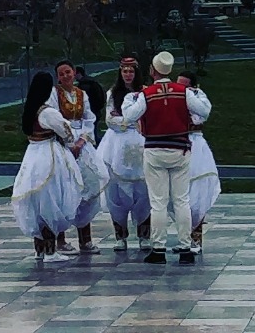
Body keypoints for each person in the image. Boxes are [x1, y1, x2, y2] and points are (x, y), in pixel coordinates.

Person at [122, 50, 211, 265]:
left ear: (153, 70)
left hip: (154, 150)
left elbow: (129, 115)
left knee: (158, 203)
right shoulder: (183, 92)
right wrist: (198, 93)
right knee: (182, 200)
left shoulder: (147, 93)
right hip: (180, 149)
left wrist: (132, 98)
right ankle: (185, 247)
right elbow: (204, 111)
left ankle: (158, 248)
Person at [10, 70, 84, 263]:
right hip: (49, 155)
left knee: (37, 201)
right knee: (51, 200)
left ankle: (40, 249)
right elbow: (67, 132)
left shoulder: (29, 110)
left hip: (32, 155)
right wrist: (71, 142)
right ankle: (51, 251)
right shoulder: (47, 112)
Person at [52, 59, 109, 256]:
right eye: (61, 74)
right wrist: (69, 141)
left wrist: (83, 139)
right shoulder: (54, 94)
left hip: (82, 143)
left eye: (68, 72)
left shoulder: (81, 93)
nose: (65, 76)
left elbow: (89, 118)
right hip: (63, 142)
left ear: (74, 72)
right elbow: (54, 119)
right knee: (64, 189)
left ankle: (85, 239)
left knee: (87, 185)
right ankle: (60, 240)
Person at [97, 56, 152, 251]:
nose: (128, 74)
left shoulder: (145, 92)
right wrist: (131, 120)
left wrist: (124, 118)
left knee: (144, 190)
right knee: (116, 190)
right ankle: (120, 235)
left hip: (140, 142)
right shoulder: (113, 93)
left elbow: (148, 117)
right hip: (117, 145)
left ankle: (144, 234)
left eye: (131, 71)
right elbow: (110, 120)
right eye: (124, 71)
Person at [178, 72, 220, 254]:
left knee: (198, 191)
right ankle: (183, 238)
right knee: (178, 194)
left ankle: (196, 239)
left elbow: (203, 113)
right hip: (176, 144)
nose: (180, 89)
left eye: (185, 86)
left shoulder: (198, 98)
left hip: (196, 146)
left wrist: (189, 96)